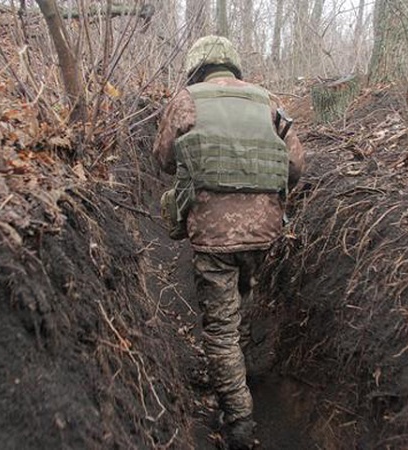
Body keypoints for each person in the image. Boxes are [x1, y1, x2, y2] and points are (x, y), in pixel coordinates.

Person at [152, 35, 305, 449]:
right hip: (265, 232)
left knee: (219, 329)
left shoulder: (186, 99)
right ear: (233, 66)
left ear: (197, 67)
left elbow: (164, 160)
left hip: (214, 235)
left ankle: (238, 420)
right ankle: (238, 361)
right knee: (244, 292)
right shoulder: (266, 100)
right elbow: (295, 167)